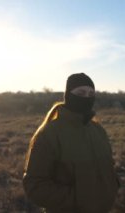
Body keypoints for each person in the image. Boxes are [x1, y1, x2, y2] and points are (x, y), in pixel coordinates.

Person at [23, 73, 120, 213]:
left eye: (91, 93)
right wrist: (79, 199)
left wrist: (113, 186)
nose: (86, 97)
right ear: (68, 95)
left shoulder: (98, 129)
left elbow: (108, 167)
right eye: (81, 92)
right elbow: (35, 186)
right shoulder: (49, 134)